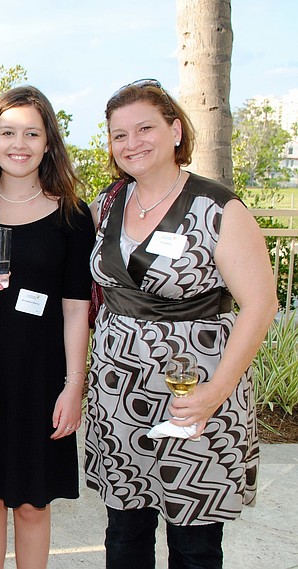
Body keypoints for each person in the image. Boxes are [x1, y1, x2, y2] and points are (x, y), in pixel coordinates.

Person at [85, 79, 277, 569]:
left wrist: (215, 391)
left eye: (144, 128)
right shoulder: (108, 205)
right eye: (119, 135)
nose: (132, 143)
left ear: (175, 130)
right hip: (118, 394)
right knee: (124, 534)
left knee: (194, 541)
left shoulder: (218, 208)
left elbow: (260, 305)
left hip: (194, 391)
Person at [0, 86, 95, 568]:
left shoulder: (73, 215)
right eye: (8, 132)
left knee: (33, 502)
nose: (19, 143)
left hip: (42, 376)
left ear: (48, 142)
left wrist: (74, 386)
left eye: (32, 133)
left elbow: (77, 309)